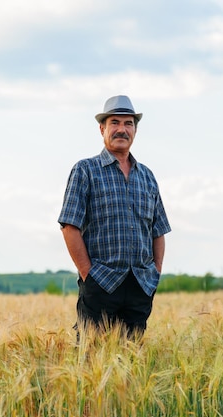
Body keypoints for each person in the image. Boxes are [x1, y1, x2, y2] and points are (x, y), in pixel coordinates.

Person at [58, 95, 171, 340]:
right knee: (90, 360)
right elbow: (69, 226)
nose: (122, 129)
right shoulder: (85, 170)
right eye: (115, 122)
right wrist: (89, 275)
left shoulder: (147, 176)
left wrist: (155, 272)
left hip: (140, 285)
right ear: (102, 128)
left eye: (128, 123)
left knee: (132, 364)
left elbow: (158, 230)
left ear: (135, 130)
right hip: (101, 283)